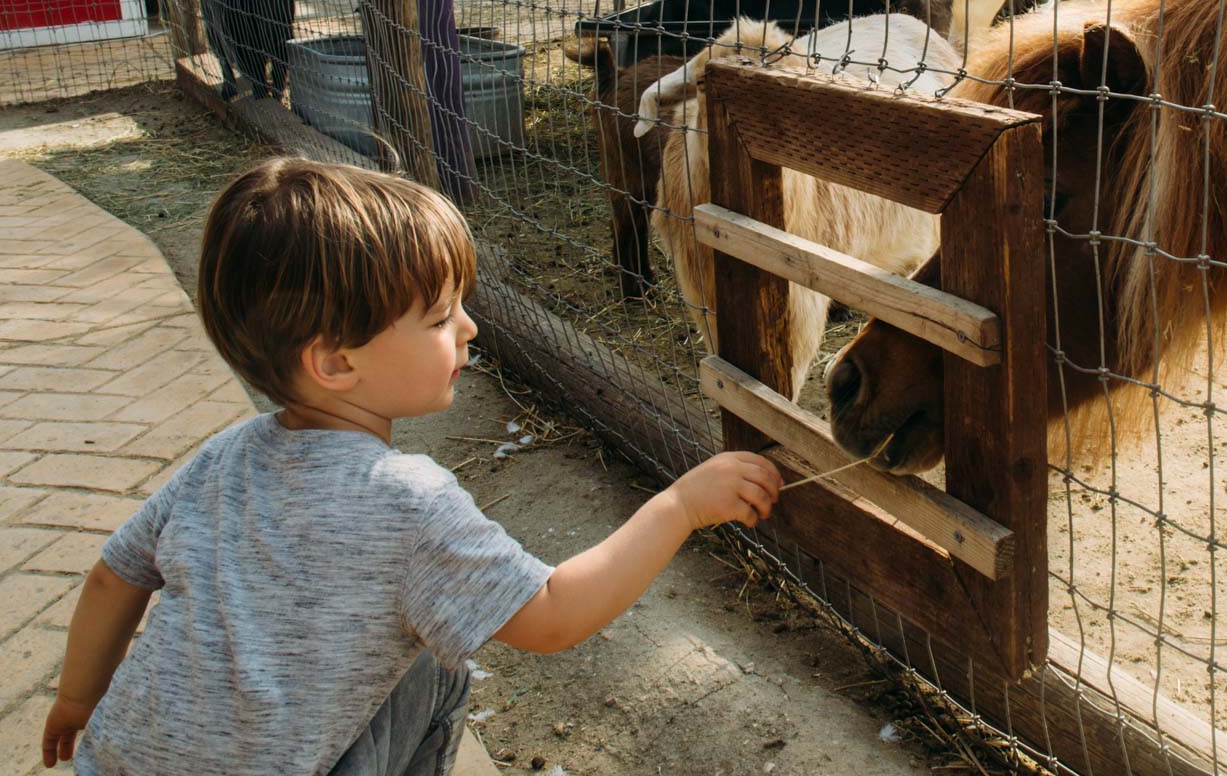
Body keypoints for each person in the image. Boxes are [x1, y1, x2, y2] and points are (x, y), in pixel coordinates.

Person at [39, 157, 782, 775]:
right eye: (437, 318)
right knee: (441, 662)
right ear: (334, 362)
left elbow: (115, 575)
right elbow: (554, 617)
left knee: (426, 638)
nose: (469, 327)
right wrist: (682, 505)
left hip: (117, 761)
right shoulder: (407, 500)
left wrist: (80, 698)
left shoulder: (225, 456)